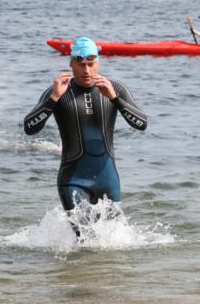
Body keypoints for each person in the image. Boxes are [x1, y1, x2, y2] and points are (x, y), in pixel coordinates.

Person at [23, 37, 147, 230]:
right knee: (85, 240)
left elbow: (141, 124)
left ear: (98, 63)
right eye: (81, 64)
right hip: (73, 181)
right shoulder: (58, 91)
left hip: (109, 180)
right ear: (71, 64)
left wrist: (114, 99)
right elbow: (30, 128)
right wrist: (54, 99)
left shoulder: (116, 89)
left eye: (91, 64)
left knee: (114, 245)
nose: (86, 70)